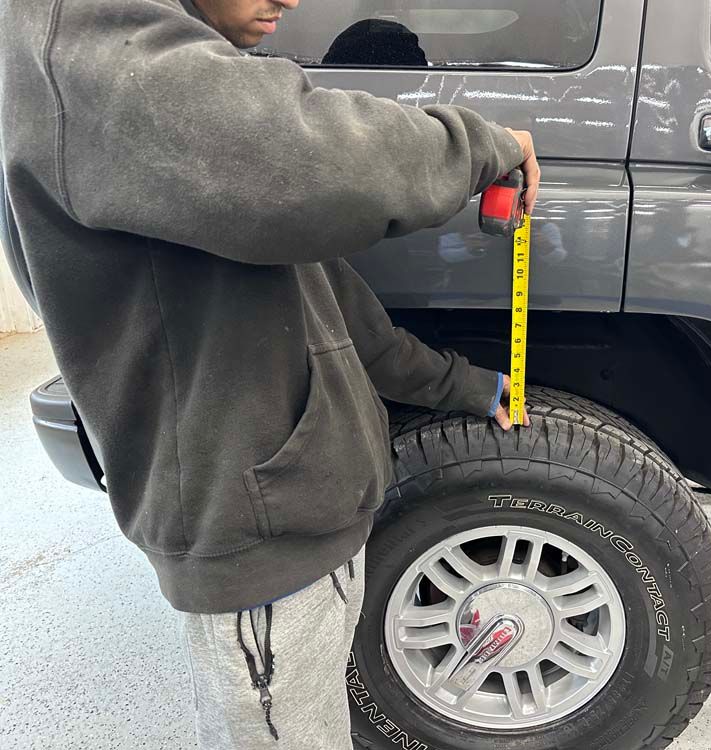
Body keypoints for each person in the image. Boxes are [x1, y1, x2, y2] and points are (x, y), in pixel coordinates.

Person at [0, 0, 540, 747]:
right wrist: (478, 143)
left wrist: (470, 387)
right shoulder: (89, 35)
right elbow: (307, 156)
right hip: (257, 538)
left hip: (303, 518)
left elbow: (343, 320)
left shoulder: (186, 96)